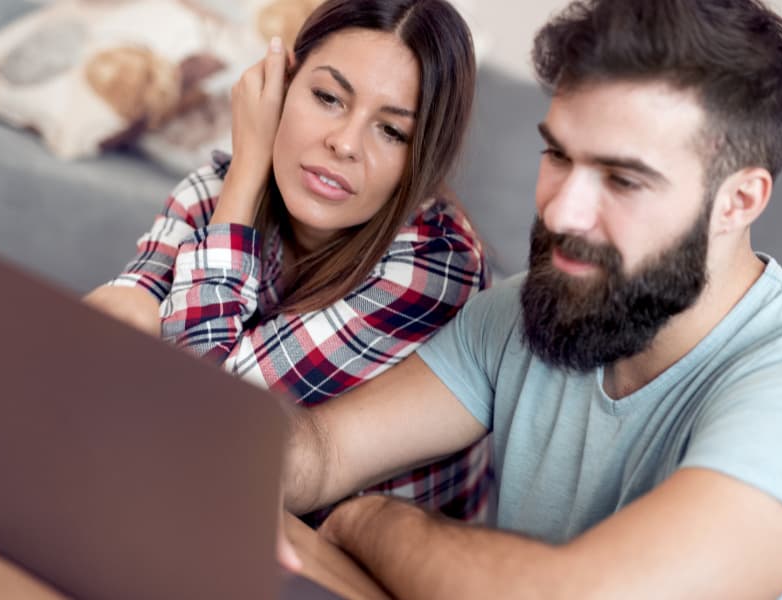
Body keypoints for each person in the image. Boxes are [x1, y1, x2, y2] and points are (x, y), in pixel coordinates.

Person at [279, 0, 782, 597]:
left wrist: (367, 522)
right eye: (557, 153)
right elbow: (323, 450)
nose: (561, 209)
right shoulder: (535, 305)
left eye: (622, 178)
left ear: (738, 201)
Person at [85, 0, 491, 524]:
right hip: (219, 513)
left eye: (392, 131)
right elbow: (115, 321)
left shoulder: (436, 270)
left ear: (425, 156)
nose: (343, 143)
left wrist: (249, 172)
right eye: (327, 97)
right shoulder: (219, 187)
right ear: (281, 84)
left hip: (355, 564)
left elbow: (207, 422)